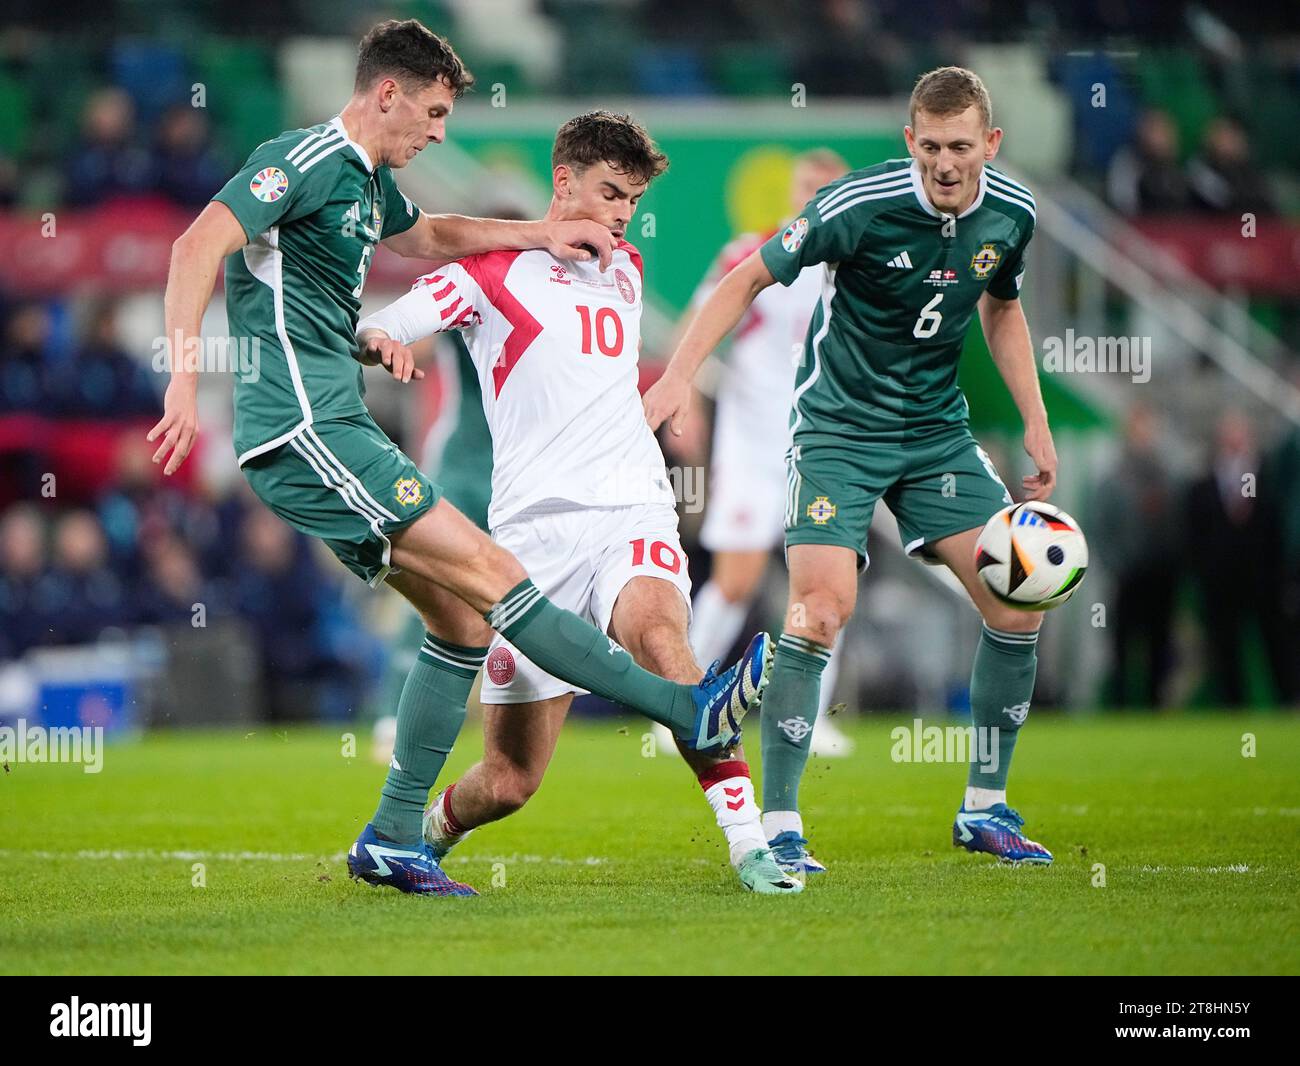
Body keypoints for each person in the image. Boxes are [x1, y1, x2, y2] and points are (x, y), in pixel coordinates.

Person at [148, 19, 771, 897]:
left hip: (338, 422)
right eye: (434, 112)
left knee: (463, 622)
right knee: (491, 572)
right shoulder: (304, 158)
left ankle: (395, 837)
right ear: (388, 92)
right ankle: (686, 706)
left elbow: (431, 235)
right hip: (302, 423)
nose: (439, 132)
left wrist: (533, 237)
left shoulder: (368, 185)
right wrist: (183, 382)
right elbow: (194, 245)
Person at [357, 111, 798, 895]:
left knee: (665, 640)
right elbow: (395, 318)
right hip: (533, 538)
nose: (624, 212)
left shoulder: (624, 266)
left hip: (631, 509)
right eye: (609, 192)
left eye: (632, 198)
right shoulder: (490, 268)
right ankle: (422, 831)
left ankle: (749, 843)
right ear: (563, 185)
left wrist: (671, 393)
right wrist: (386, 339)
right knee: (510, 779)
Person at [644, 66, 1058, 873]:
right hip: (836, 433)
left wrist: (1037, 421)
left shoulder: (1013, 212)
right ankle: (782, 822)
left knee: (1018, 601)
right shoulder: (856, 205)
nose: (945, 163)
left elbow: (1001, 308)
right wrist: (679, 374)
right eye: (931, 146)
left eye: (962, 148)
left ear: (991, 144)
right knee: (821, 610)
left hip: (937, 436)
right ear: (910, 141)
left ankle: (985, 807)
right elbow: (747, 277)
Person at [681, 148, 855, 761]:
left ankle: (806, 719)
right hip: (752, 446)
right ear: (793, 190)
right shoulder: (755, 251)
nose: (814, 196)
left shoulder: (859, 263)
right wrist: (688, 402)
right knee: (736, 579)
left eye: (826, 187)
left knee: (825, 587)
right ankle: (678, 698)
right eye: (807, 185)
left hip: (823, 445)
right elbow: (700, 321)